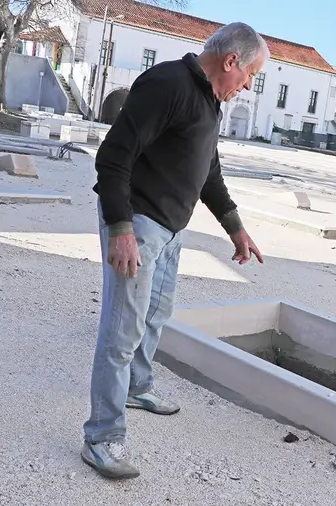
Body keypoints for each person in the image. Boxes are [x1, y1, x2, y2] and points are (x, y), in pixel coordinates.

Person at [80, 22, 269, 480]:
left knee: (155, 315)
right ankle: (102, 438)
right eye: (249, 76)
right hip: (138, 225)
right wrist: (120, 227)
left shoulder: (210, 104)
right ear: (230, 62)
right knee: (122, 331)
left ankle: (137, 388)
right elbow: (113, 156)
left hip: (171, 231)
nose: (247, 87)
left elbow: (208, 172)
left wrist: (235, 227)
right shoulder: (168, 84)